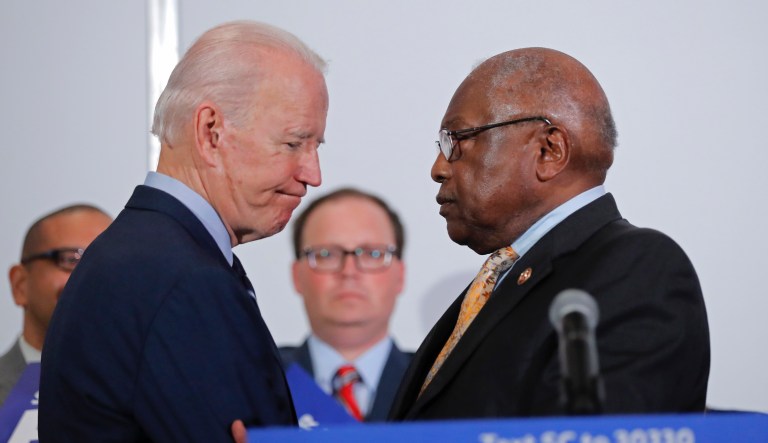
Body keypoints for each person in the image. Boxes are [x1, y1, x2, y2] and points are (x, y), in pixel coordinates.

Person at [38, 20, 329, 442]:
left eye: (316, 146)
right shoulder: (183, 280)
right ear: (210, 131)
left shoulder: (140, 253)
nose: (313, 174)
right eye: (293, 143)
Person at [388, 47, 710, 421]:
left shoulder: (638, 270)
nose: (438, 168)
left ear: (548, 150)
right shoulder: (504, 278)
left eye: (457, 141)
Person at [280, 188, 412, 422]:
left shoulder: (439, 382)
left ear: (400, 275)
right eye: (327, 254)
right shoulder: (256, 381)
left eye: (372, 254)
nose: (349, 271)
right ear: (296, 276)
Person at [0, 204, 111, 405]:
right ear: (20, 285)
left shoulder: (152, 393)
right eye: (71, 259)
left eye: (108, 263)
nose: (91, 277)